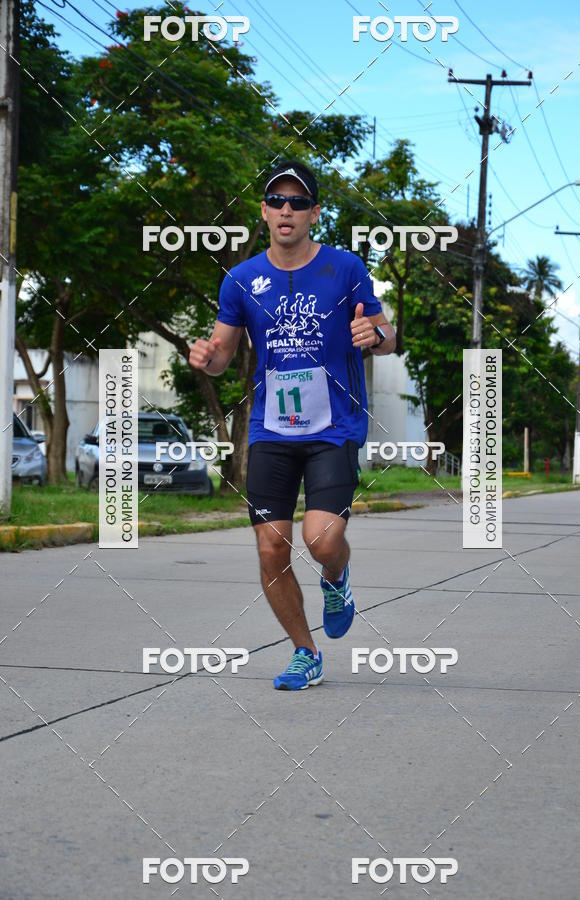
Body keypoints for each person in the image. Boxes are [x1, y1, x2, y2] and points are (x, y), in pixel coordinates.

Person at [189, 160, 396, 690]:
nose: (287, 209)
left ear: (313, 214)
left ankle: (336, 577)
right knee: (270, 546)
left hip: (334, 428)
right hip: (272, 430)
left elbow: (386, 332)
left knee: (322, 539)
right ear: (263, 212)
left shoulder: (345, 268)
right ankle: (305, 653)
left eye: (298, 202)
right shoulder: (241, 280)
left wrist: (374, 336)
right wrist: (206, 357)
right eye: (277, 201)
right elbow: (221, 355)